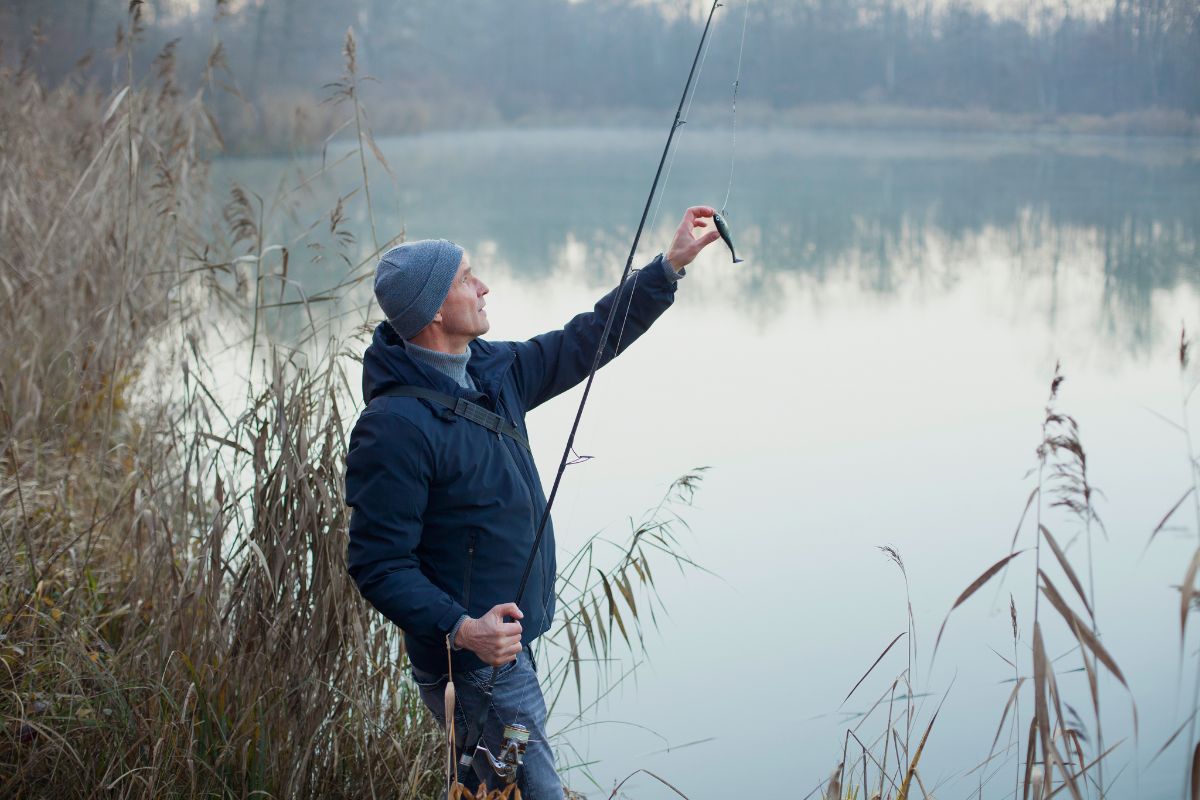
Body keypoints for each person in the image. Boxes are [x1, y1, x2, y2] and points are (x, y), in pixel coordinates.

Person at [344, 206, 721, 798]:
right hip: (474, 666)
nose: (483, 286)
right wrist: (465, 629)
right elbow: (378, 565)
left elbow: (584, 339)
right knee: (536, 792)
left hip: (507, 650)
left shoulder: (492, 370)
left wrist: (667, 268)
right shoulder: (393, 426)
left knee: (494, 792)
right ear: (435, 310)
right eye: (467, 278)